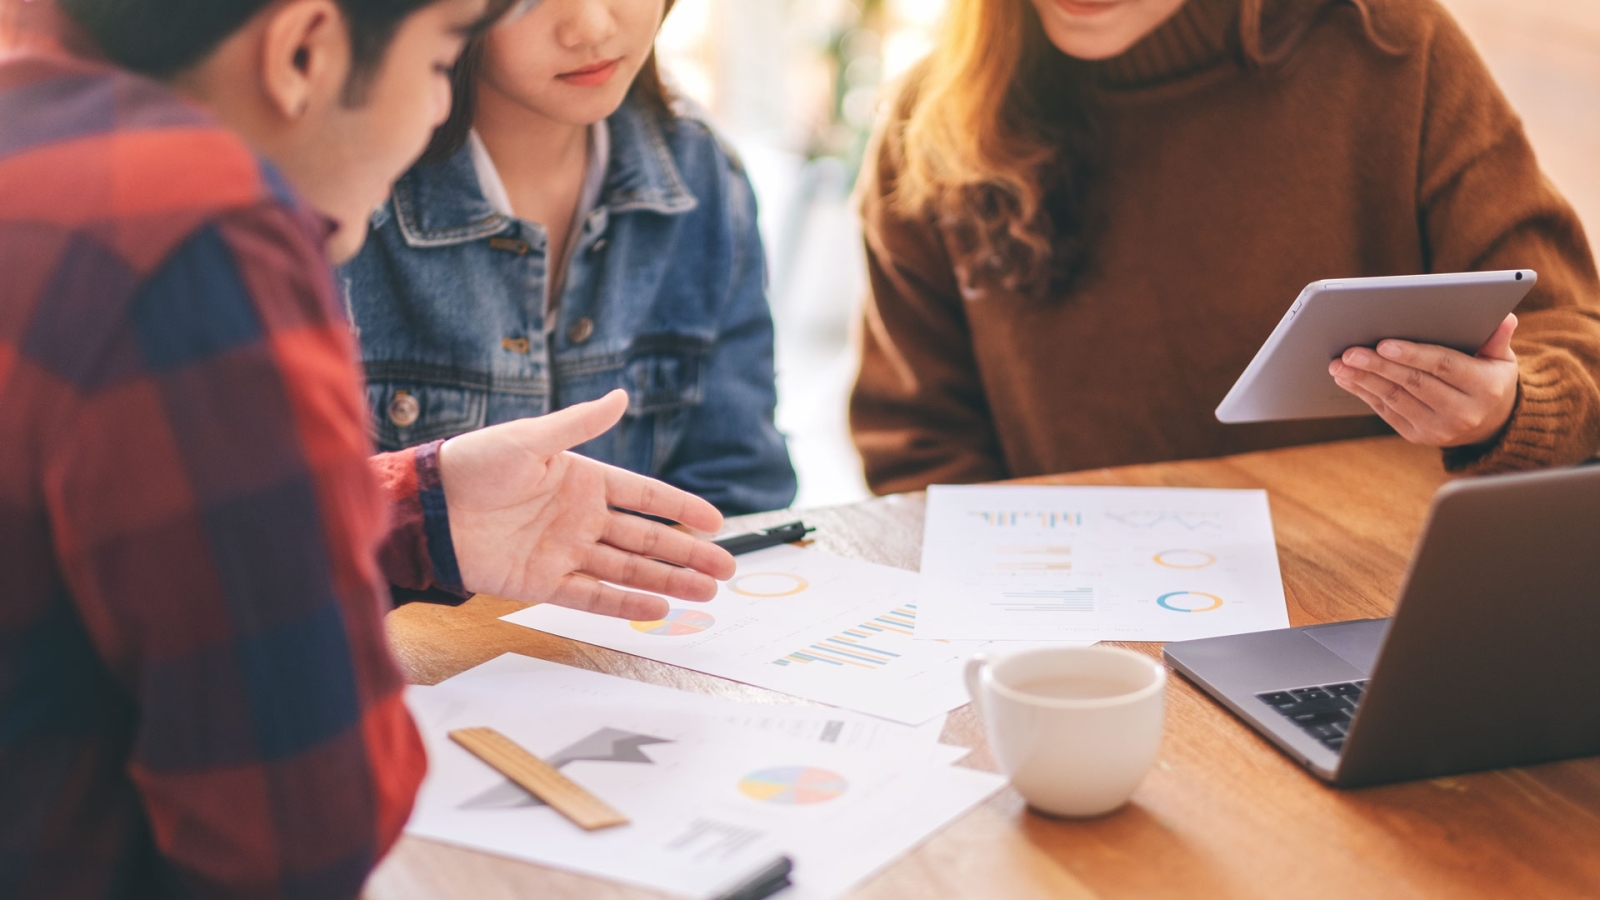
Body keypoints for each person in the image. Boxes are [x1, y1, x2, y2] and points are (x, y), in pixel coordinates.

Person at [0, 0, 735, 896]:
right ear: (303, 52)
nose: (440, 109)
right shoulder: (205, 247)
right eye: (439, 64)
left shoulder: (33, 127)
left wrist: (419, 506)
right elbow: (301, 835)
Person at [850, 0, 1600, 494]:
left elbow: (1578, 342)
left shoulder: (1388, 47)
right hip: (1063, 635)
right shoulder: (932, 126)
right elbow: (918, 448)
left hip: (1367, 601)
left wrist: (1506, 408)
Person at [340, 0, 797, 516]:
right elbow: (294, 519)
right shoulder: (339, 195)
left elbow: (740, 488)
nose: (591, 27)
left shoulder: (700, 170)